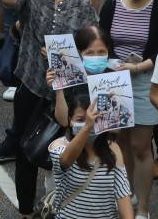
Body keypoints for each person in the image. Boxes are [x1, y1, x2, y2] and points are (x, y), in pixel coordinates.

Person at [0, 0, 98, 215]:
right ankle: (27, 207)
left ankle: (64, 205)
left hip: (69, 90)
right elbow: (8, 0)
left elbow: (93, 43)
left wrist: (68, 59)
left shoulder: (80, 2)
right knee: (25, 146)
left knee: (67, 146)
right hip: (32, 83)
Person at [99, 0, 158, 213]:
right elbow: (102, 39)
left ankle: (142, 208)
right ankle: (125, 195)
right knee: (119, 142)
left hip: (144, 80)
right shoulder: (111, 5)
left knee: (141, 145)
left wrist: (138, 67)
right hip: (113, 78)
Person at [48, 90, 134, 219]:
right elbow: (65, 161)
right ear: (70, 120)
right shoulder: (59, 146)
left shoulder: (113, 149)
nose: (89, 123)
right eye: (80, 119)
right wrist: (87, 127)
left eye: (94, 119)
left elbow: (122, 194)